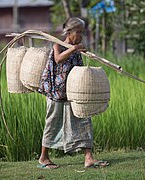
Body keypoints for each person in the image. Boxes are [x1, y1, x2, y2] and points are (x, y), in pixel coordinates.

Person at [37, 17, 109, 169]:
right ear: (69, 32)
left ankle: (89, 158)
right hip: (56, 92)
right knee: (52, 123)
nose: (80, 35)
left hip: (74, 93)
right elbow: (58, 59)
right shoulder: (59, 44)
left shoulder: (76, 48)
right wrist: (74, 49)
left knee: (83, 120)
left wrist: (82, 52)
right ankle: (43, 158)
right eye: (78, 32)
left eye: (82, 32)